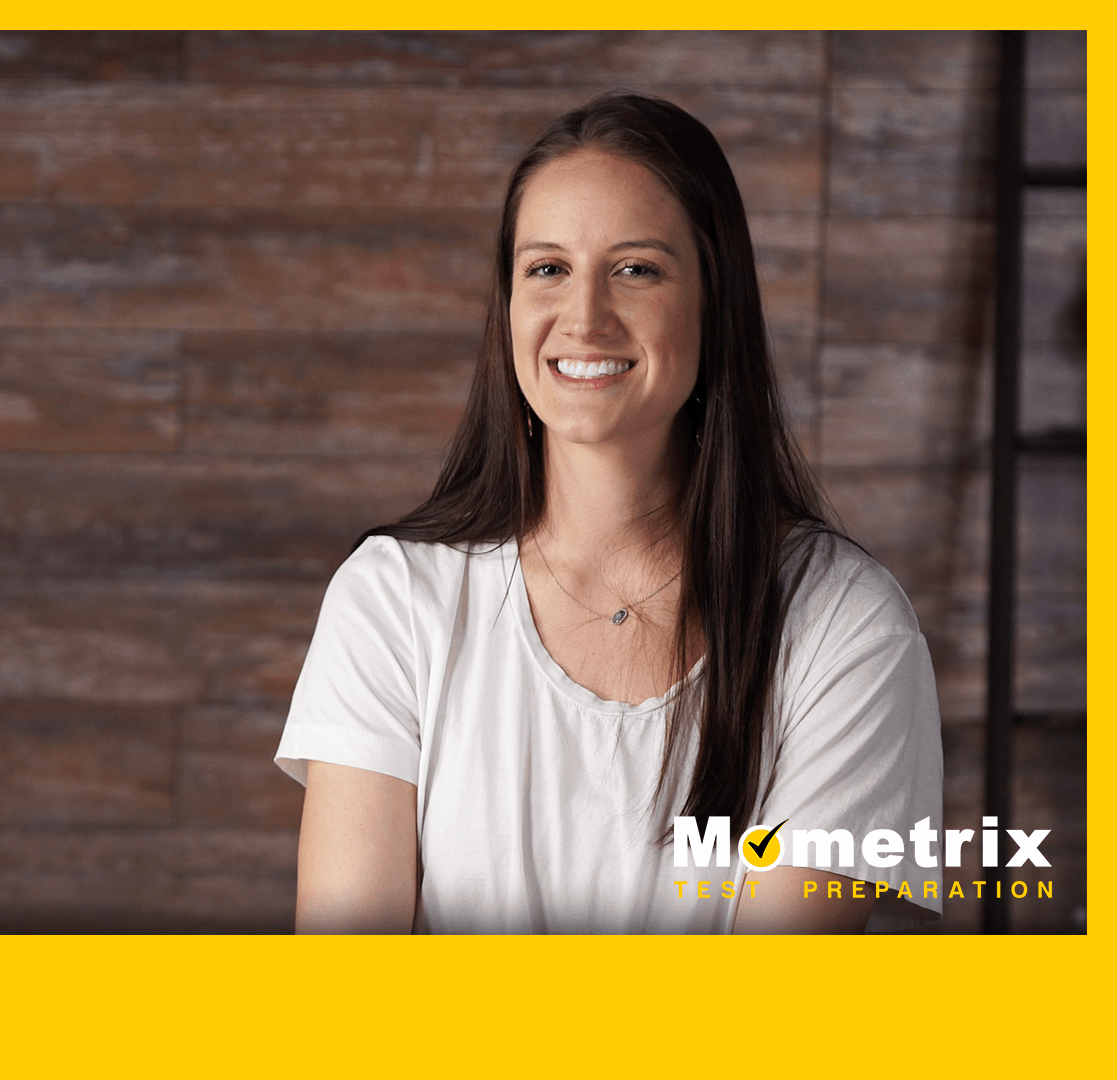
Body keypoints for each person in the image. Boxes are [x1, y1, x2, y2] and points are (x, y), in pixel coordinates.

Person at [274, 92, 944, 934]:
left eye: (636, 269)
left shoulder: (845, 627)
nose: (583, 318)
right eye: (547, 268)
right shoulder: (390, 600)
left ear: (713, 303)